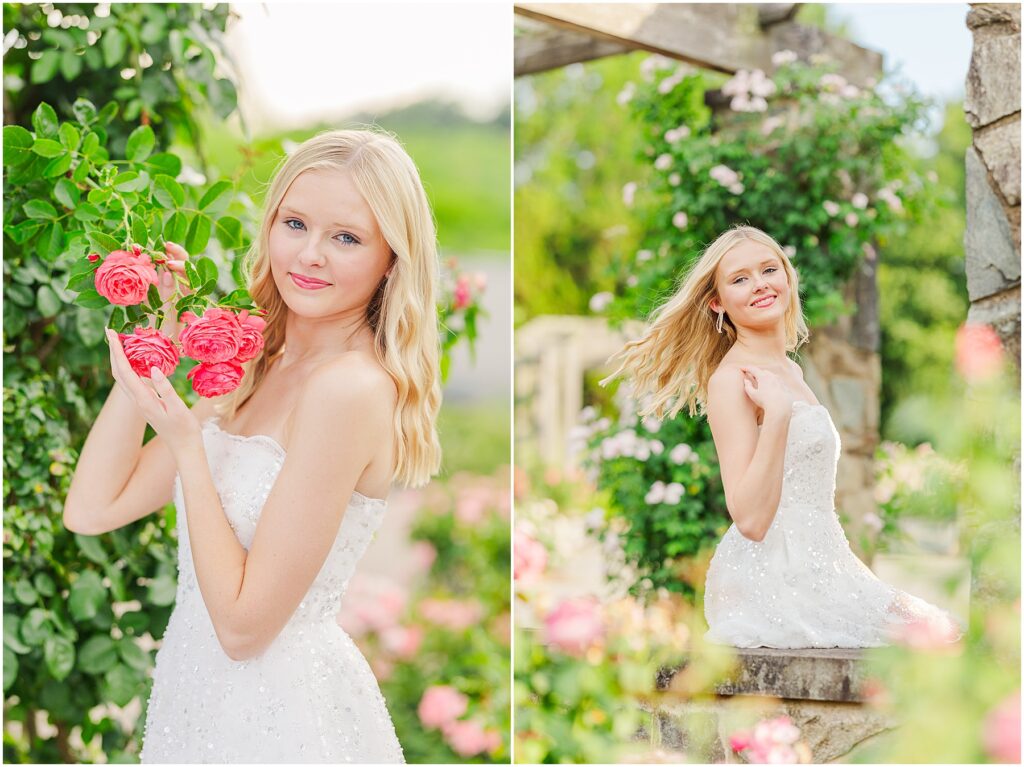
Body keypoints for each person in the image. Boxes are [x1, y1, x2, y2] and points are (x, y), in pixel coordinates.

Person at [63, 129, 443, 762]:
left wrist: (188, 445)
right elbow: (93, 509)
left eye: (346, 237)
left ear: (392, 260)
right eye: (295, 223)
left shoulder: (348, 389)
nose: (311, 254)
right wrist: (151, 340)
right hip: (197, 698)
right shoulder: (256, 363)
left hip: (281, 716)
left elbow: (243, 628)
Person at [605, 224, 962, 649]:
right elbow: (751, 520)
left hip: (825, 565)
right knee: (926, 641)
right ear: (718, 303)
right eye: (740, 279)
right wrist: (775, 417)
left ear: (788, 278)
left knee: (937, 629)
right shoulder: (732, 381)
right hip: (770, 577)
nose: (759, 284)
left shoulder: (791, 371)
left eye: (769, 270)